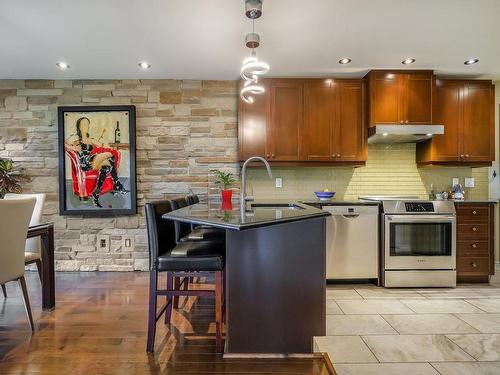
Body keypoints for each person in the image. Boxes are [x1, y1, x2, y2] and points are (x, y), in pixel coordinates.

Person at [65, 117, 127, 207]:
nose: (85, 126)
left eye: (87, 124)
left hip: (93, 161)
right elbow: (62, 143)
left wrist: (105, 145)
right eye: (83, 124)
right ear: (79, 126)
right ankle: (118, 185)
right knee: (110, 155)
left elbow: (102, 145)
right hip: (84, 162)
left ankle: (96, 193)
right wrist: (73, 147)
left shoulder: (90, 139)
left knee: (107, 166)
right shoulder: (75, 138)